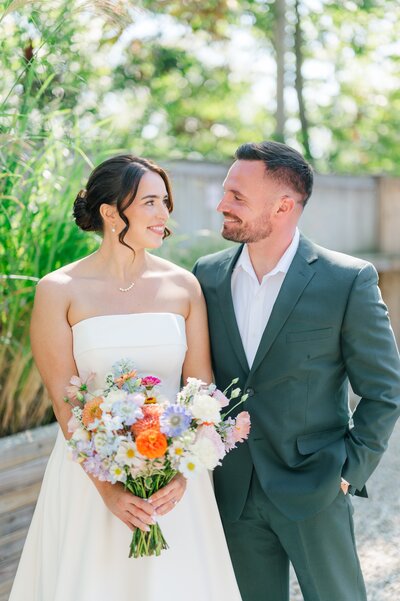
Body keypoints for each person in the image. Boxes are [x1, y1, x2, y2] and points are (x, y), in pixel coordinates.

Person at [9, 155, 242, 601]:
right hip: (88, 476)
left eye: (165, 201)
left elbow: (201, 392)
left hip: (175, 483)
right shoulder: (58, 290)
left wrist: (183, 476)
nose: (164, 214)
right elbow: (64, 399)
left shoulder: (183, 287)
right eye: (150, 202)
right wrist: (110, 490)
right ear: (111, 213)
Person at [193, 141, 400, 601]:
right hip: (233, 489)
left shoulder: (347, 280)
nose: (223, 205)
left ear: (283, 206)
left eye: (237, 197)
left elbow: (384, 389)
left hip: (315, 485)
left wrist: (348, 471)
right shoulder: (206, 277)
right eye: (226, 192)